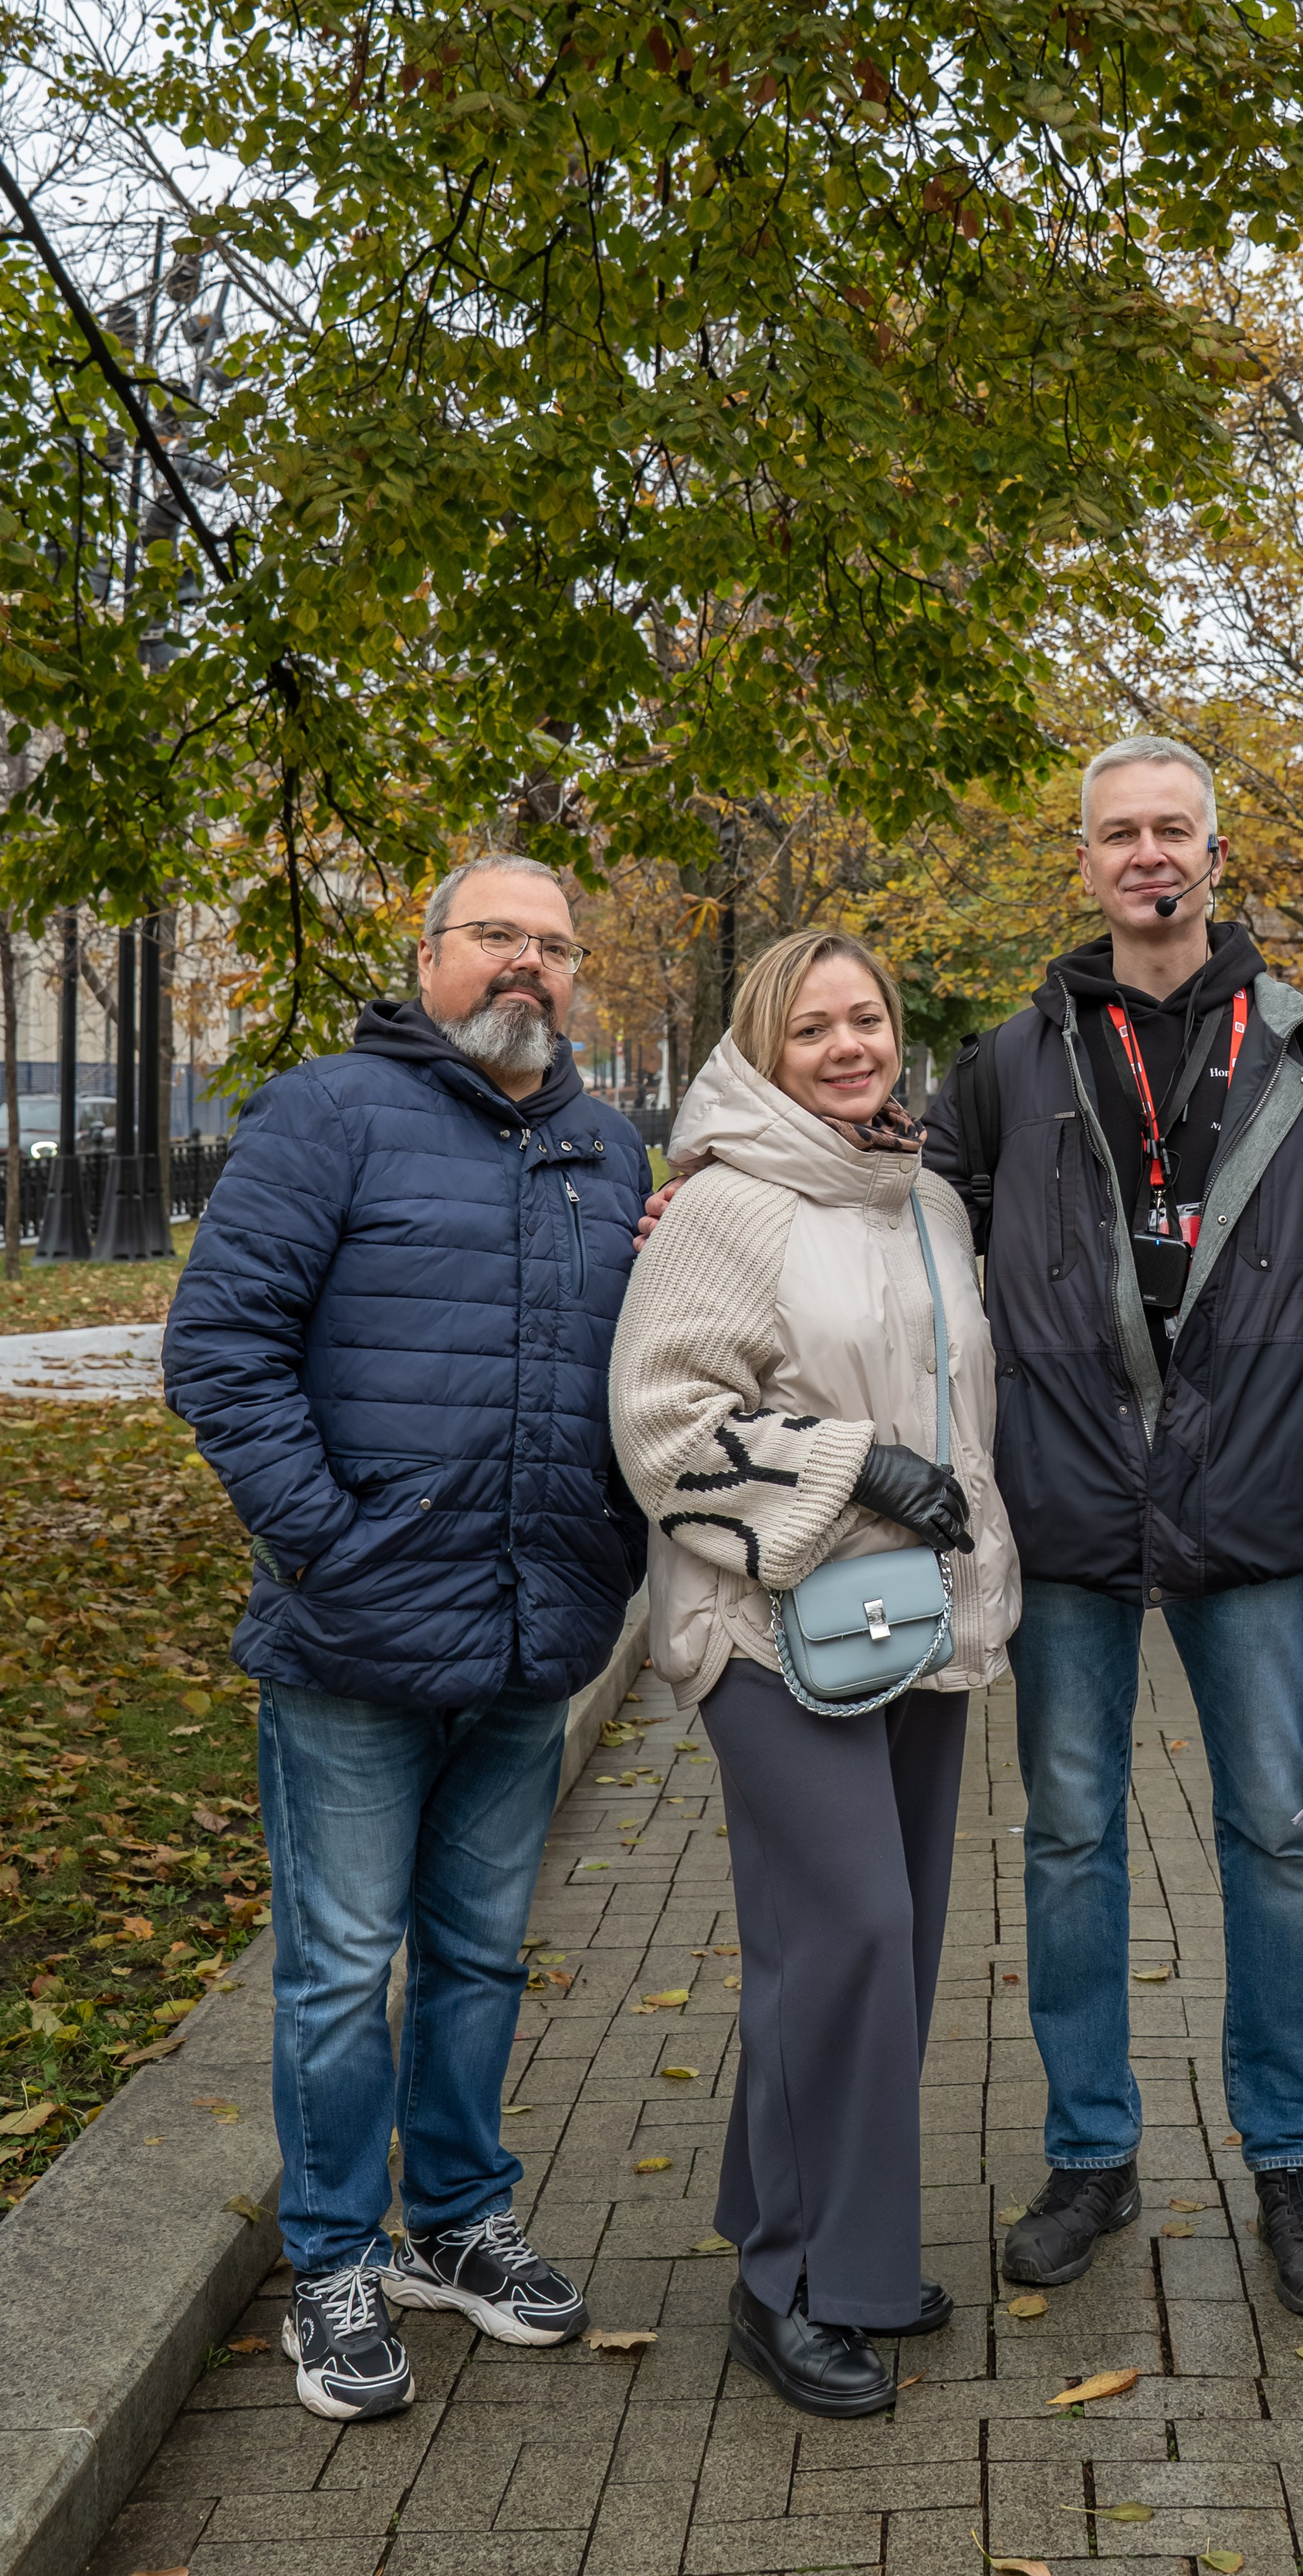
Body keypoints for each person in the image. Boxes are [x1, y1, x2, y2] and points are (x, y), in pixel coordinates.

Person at [163, 854, 650, 2422]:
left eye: (554, 946)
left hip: (531, 1630)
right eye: (497, 936)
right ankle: (332, 2265)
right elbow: (220, 1349)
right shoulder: (327, 1113)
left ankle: (453, 2226)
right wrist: (327, 1540)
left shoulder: (607, 1146)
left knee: (477, 1958)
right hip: (354, 1643)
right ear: (428, 954)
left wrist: (607, 1544)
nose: (528, 965)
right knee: (336, 1972)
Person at [922, 734, 1303, 2317]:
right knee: (1065, 1840)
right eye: (1118, 834)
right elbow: (904, 1240)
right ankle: (1088, 2155)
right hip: (1062, 1502)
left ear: (1213, 851)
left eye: (1172, 831)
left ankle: (1292, 2164)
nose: (1148, 856)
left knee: (1277, 1835)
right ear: (1084, 865)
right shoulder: (1006, 1062)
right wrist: (712, 1180)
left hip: (1258, 1506)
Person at [609, 928, 1020, 2419]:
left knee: (890, 1946)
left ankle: (845, 2250)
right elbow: (661, 1423)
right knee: (838, 1928)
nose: (850, 1047)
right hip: (763, 1623)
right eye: (814, 1029)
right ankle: (780, 2284)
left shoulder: (922, 1197)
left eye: (870, 1021)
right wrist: (855, 1465)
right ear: (761, 1046)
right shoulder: (727, 1202)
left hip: (906, 1622)